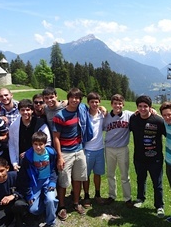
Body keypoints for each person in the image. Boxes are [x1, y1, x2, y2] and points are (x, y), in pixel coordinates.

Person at [53, 88, 93, 217]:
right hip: (65, 153)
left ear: (80, 100)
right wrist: (59, 156)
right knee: (63, 181)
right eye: (72, 97)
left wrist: (102, 109)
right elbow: (56, 138)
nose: (74, 100)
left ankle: (76, 202)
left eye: (77, 98)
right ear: (68, 98)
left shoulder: (81, 110)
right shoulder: (60, 116)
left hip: (79, 150)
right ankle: (62, 205)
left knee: (78, 179)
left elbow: (94, 107)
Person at [129, 95, 166, 217]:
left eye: (145, 106)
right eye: (140, 106)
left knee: (158, 183)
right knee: (140, 179)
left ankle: (159, 206)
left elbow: (169, 134)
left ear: (150, 107)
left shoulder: (158, 121)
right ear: (137, 107)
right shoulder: (133, 119)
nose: (142, 109)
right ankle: (140, 198)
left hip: (155, 158)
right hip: (139, 157)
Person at [18, 131, 58, 227]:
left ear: (45, 144)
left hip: (48, 180)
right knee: (33, 210)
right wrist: (28, 195)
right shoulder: (27, 157)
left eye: (41, 144)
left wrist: (52, 183)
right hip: (35, 182)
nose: (38, 147)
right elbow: (24, 177)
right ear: (32, 144)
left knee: (51, 199)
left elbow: (54, 169)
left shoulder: (51, 153)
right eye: (35, 144)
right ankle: (46, 207)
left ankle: (51, 222)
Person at [103, 94, 133, 208]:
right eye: (115, 103)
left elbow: (141, 112)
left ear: (123, 104)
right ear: (111, 104)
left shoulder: (128, 115)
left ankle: (127, 198)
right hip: (109, 148)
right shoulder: (105, 116)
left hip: (122, 149)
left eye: (120, 103)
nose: (117, 106)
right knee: (110, 173)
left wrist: (153, 110)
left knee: (124, 174)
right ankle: (112, 195)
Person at [9, 99, 51, 171]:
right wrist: (14, 163)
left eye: (28, 110)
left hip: (38, 159)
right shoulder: (14, 125)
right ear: (19, 111)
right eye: (22, 110)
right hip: (22, 161)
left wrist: (30, 152)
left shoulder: (41, 124)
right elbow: (12, 144)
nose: (25, 112)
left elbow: (48, 142)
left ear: (32, 111)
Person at [0, 157, 25, 227]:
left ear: (7, 168)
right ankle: (11, 219)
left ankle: (23, 220)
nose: (0, 174)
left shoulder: (15, 176)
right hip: (5, 209)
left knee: (19, 204)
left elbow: (26, 190)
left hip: (19, 203)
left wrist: (14, 195)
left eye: (2, 170)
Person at [82, 92, 106, 208]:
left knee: (98, 174)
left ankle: (97, 194)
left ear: (99, 102)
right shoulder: (84, 114)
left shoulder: (102, 114)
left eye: (96, 102)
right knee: (86, 175)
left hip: (100, 149)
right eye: (92, 102)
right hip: (87, 150)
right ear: (88, 103)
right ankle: (86, 196)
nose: (94, 104)